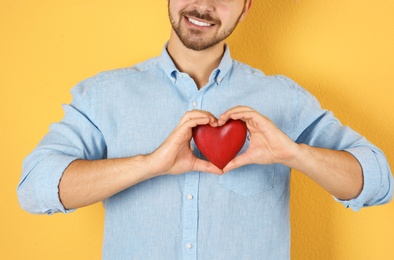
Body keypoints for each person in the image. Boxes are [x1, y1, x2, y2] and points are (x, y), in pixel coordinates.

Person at [18, 0, 392, 259]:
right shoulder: (104, 95)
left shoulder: (282, 98)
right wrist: (150, 164)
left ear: (246, 8)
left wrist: (294, 153)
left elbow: (379, 183)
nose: (204, 4)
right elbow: (34, 190)